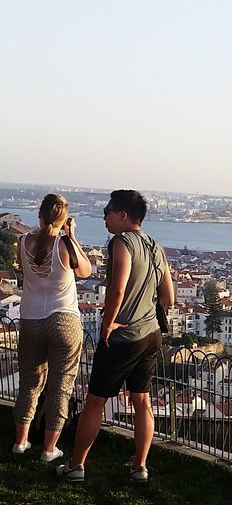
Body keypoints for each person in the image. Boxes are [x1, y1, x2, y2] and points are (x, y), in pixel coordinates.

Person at [57, 190, 173, 484]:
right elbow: (168, 297)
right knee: (142, 401)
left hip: (124, 336)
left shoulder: (121, 243)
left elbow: (117, 289)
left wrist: (107, 325)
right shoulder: (155, 246)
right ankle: (140, 467)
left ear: (123, 215)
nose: (104, 217)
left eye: (107, 211)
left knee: (95, 402)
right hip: (151, 335)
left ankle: (76, 465)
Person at [13, 193, 92, 463]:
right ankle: (49, 449)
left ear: (40, 213)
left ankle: (20, 442)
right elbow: (86, 271)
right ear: (63, 218)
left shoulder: (22, 242)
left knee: (29, 383)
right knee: (61, 385)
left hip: (30, 319)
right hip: (64, 319)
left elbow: (25, 268)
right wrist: (72, 236)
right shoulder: (65, 245)